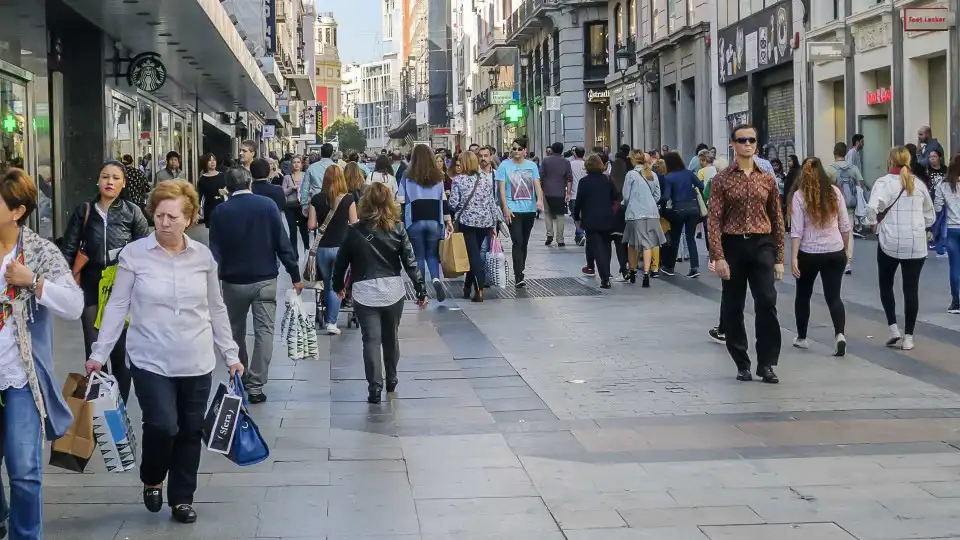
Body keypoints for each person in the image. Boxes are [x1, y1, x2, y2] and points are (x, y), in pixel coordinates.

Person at [87, 180, 243, 524]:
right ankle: (153, 476)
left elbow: (216, 309)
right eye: (159, 215)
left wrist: (230, 355)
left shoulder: (203, 257)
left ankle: (182, 498)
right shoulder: (134, 255)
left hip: (196, 359)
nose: (164, 223)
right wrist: (100, 352)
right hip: (149, 358)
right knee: (162, 425)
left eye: (172, 216)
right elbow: (117, 306)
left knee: (189, 430)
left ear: (189, 218)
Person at [0, 169, 83, 540]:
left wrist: (33, 282)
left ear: (17, 211)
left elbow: (74, 305)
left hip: (20, 377)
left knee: (24, 471)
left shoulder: (38, 250)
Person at [210, 167, 302, 403]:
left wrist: (210, 282)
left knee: (235, 332)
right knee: (265, 332)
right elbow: (282, 243)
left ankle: (240, 374)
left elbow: (215, 252)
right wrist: (294, 274)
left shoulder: (221, 211)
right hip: (265, 279)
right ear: (250, 182)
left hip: (233, 282)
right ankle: (256, 385)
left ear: (227, 188)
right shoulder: (267, 206)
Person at [60, 160, 149, 402]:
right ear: (98, 181)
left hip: (121, 288)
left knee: (120, 353)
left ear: (124, 183)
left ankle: (119, 406)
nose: (110, 182)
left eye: (115, 178)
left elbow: (145, 252)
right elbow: (69, 247)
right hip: (90, 285)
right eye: (105, 177)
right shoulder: (85, 210)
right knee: (94, 351)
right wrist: (64, 281)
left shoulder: (133, 212)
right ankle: (101, 406)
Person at [332, 183, 427, 403]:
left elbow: (341, 262)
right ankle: (392, 377)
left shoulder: (354, 230)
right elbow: (410, 263)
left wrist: (339, 286)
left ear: (365, 203)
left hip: (364, 290)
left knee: (370, 340)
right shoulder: (398, 228)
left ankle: (374, 387)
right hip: (393, 289)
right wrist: (421, 289)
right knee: (390, 337)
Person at [707, 124, 785, 384]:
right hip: (733, 246)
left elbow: (777, 218)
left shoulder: (767, 178)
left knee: (766, 302)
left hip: (762, 244)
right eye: (742, 140)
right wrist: (718, 256)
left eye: (751, 140)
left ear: (756, 144)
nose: (747, 144)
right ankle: (742, 362)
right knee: (733, 306)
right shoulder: (722, 180)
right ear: (733, 145)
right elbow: (714, 221)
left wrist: (780, 258)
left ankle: (767, 363)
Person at [867, 146, 936, 351]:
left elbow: (872, 208)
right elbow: (930, 215)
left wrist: (873, 223)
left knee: (886, 284)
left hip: (890, 242)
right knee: (911, 289)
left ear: (891, 161)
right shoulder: (918, 184)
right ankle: (909, 337)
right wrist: (917, 225)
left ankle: (893, 328)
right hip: (915, 244)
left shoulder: (883, 183)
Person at [789, 157, 851, 356]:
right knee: (834, 297)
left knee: (803, 295)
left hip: (810, 252)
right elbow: (845, 226)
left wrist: (793, 257)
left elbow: (797, 231)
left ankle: (802, 337)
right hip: (835, 251)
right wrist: (846, 250)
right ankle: (839, 335)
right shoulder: (835, 193)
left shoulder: (800, 196)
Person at [398, 144, 452, 300]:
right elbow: (443, 200)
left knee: (419, 256)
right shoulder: (439, 176)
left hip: (414, 219)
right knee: (433, 255)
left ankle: (422, 290)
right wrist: (448, 221)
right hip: (434, 219)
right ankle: (435, 279)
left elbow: (400, 200)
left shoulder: (407, 176)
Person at [309, 166, 358, 334]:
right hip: (342, 248)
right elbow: (354, 223)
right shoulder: (349, 199)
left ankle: (328, 315)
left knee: (328, 283)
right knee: (337, 286)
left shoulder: (316, 199)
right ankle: (332, 322)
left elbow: (311, 225)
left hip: (322, 248)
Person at [449, 151, 499, 302]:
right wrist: (494, 224)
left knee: (474, 255)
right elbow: (492, 202)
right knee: (475, 253)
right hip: (485, 223)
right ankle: (467, 286)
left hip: (468, 223)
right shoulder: (485, 178)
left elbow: (453, 203)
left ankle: (479, 289)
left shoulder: (459, 180)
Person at [497, 137, 544, 287]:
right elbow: (502, 189)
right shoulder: (504, 166)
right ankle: (519, 275)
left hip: (529, 210)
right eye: (513, 148)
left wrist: (539, 200)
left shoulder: (532, 166)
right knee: (517, 241)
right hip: (513, 210)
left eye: (518, 149)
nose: (515, 151)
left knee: (524, 242)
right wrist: (505, 207)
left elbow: (537, 185)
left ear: (524, 151)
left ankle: (520, 270)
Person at [572, 154, 620, 289]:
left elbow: (579, 201)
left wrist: (576, 215)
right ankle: (607, 273)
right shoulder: (607, 180)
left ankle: (605, 279)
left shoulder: (584, 182)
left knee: (597, 247)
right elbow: (616, 196)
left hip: (591, 219)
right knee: (606, 246)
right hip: (607, 218)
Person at [621, 150, 664, 287]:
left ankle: (632, 271)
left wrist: (630, 205)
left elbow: (626, 196)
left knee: (632, 242)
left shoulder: (631, 174)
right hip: (651, 212)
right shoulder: (652, 174)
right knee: (648, 244)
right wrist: (649, 202)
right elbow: (657, 195)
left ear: (633, 160)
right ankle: (646, 273)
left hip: (635, 213)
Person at [660, 151, 704, 278]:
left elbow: (666, 196)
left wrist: (657, 199)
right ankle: (694, 267)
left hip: (678, 209)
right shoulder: (689, 173)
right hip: (694, 208)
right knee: (691, 238)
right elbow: (701, 185)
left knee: (675, 238)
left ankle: (669, 267)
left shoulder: (669, 177)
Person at [826, 142, 865, 273]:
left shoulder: (829, 169)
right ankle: (847, 261)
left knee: (834, 231)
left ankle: (835, 259)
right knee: (848, 232)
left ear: (834, 152)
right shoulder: (853, 168)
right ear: (845, 152)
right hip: (849, 206)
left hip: (833, 205)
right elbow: (860, 183)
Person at [936, 154, 960, 314]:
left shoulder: (943, 185)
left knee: (955, 266)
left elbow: (937, 208)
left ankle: (956, 302)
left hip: (952, 229)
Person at [539, 142, 573, 246]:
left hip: (547, 191)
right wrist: (568, 193)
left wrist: (540, 191)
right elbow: (569, 178)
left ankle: (550, 234)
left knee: (547, 213)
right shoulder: (566, 162)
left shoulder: (546, 160)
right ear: (562, 150)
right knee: (560, 215)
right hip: (560, 192)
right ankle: (560, 239)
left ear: (552, 150)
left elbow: (541, 176)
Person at [281, 155, 310, 251]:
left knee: (303, 229)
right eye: (294, 162)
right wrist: (291, 188)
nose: (296, 164)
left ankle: (307, 248)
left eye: (298, 162)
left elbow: (309, 189)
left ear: (301, 165)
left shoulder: (305, 175)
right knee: (292, 230)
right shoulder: (287, 177)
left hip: (302, 206)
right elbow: (283, 192)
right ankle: (294, 252)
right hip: (290, 206)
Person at [301, 143, 337, 211]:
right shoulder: (338, 168)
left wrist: (304, 205)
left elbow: (305, 188)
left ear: (321, 153)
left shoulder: (312, 168)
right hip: (334, 200)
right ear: (332, 153)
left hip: (316, 201)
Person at [197, 153, 226, 228]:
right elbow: (199, 197)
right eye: (210, 161)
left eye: (214, 160)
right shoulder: (202, 180)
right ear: (205, 163)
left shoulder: (223, 176)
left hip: (223, 207)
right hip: (209, 209)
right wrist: (196, 212)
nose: (212, 162)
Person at [570, 146, 588, 248]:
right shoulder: (586, 164)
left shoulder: (571, 164)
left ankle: (580, 233)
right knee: (583, 215)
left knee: (575, 216)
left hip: (574, 193)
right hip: (585, 194)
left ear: (575, 154)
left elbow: (568, 178)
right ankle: (579, 234)